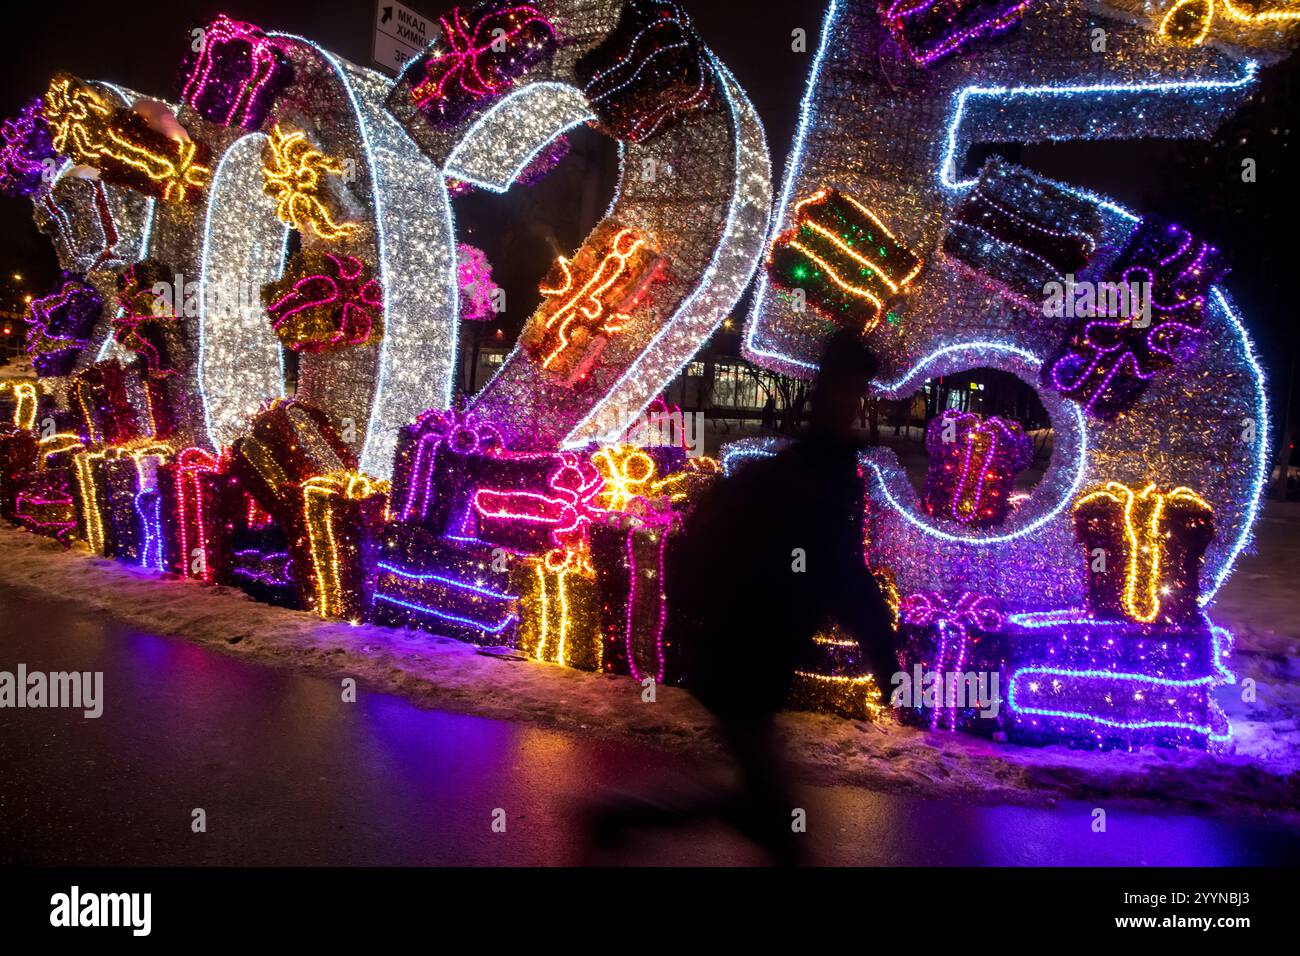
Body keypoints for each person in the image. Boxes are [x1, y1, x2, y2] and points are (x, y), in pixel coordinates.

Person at [587, 330, 897, 865]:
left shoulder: (806, 468)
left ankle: (621, 816)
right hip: (749, 654)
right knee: (769, 814)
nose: (855, 403)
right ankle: (618, 815)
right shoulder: (817, 475)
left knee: (757, 802)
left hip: (747, 652)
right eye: (851, 390)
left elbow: (834, 570)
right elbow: (842, 570)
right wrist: (886, 657)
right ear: (835, 394)